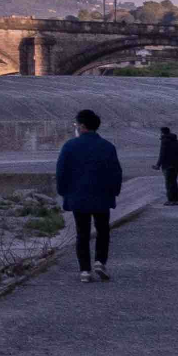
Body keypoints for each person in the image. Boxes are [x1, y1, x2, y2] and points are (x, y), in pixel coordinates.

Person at [56, 108, 124, 283]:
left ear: (82, 126)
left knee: (82, 233)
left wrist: (63, 192)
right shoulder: (107, 146)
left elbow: (61, 172)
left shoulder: (70, 146)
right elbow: (116, 172)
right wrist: (114, 192)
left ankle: (85, 271)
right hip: (102, 196)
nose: (76, 127)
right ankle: (100, 262)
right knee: (103, 231)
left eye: (76, 124)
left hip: (78, 197)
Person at [156, 126, 178, 205]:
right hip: (176, 165)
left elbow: (162, 154)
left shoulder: (164, 141)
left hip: (167, 165)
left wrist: (158, 165)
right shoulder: (176, 141)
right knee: (174, 182)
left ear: (162, 132)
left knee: (168, 183)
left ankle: (170, 200)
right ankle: (176, 200)